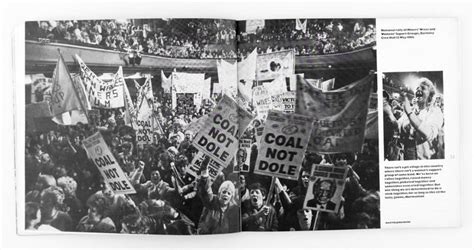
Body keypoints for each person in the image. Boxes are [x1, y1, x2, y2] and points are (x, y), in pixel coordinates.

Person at [384, 77, 444, 160]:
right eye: (417, 88)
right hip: (404, 158)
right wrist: (389, 113)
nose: (419, 90)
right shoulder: (412, 110)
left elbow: (428, 134)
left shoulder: (435, 112)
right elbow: (398, 127)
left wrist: (409, 112)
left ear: (430, 95)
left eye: (423, 88)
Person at [196, 159, 239, 234]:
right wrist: (205, 174)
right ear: (219, 193)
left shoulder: (233, 209)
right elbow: (206, 191)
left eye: (229, 193)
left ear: (231, 197)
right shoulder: (212, 201)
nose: (226, 194)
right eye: (224, 192)